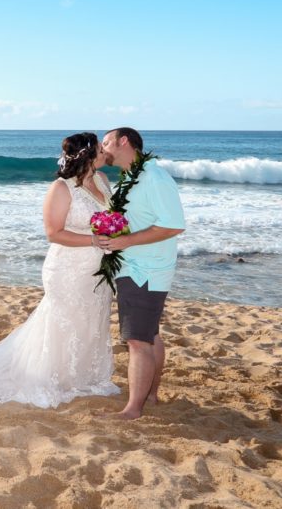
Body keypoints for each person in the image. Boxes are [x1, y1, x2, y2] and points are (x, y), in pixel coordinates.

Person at [0, 132, 121, 408]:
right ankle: (52, 376)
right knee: (64, 321)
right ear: (86, 155)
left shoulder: (102, 180)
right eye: (99, 148)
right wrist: (92, 239)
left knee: (91, 320)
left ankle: (83, 376)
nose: (104, 152)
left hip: (98, 268)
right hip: (68, 268)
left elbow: (111, 217)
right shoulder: (61, 189)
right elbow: (53, 232)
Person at [98, 127, 186, 420]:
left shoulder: (154, 177)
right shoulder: (129, 177)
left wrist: (126, 241)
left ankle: (133, 409)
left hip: (145, 270)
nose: (103, 147)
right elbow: (136, 220)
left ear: (124, 142)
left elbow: (173, 225)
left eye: (107, 142)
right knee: (149, 335)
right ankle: (150, 394)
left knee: (137, 340)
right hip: (133, 266)